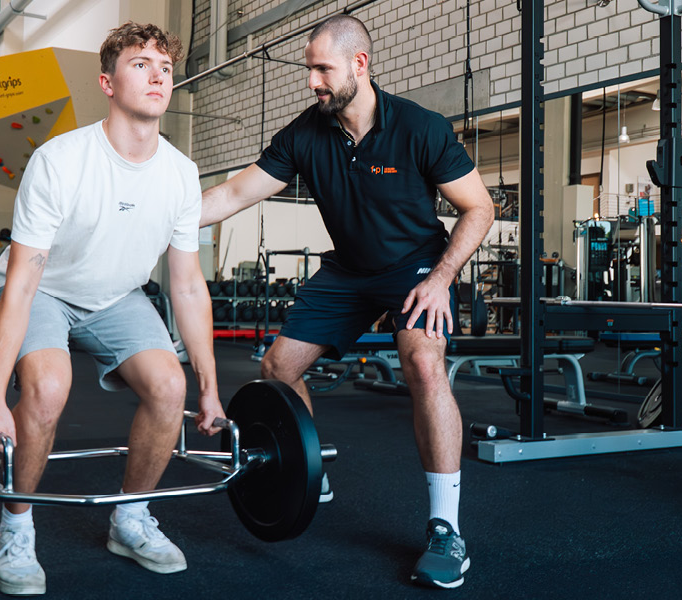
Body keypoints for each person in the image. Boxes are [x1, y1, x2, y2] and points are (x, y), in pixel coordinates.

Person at [199, 15, 494, 590]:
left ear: (360, 65)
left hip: (414, 267)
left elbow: (478, 208)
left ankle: (445, 528)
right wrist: (154, 215)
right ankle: (308, 472)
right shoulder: (306, 133)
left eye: (321, 69)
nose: (312, 81)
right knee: (278, 368)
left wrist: (440, 280)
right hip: (348, 273)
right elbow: (234, 192)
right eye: (309, 69)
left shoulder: (420, 127)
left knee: (424, 365)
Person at [0, 22, 224, 596]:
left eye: (164, 66)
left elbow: (187, 286)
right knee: (47, 388)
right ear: (107, 83)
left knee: (169, 387)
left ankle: (130, 518)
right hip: (45, 291)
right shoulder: (60, 161)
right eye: (140, 64)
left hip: (116, 297)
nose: (157, 74)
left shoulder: (181, 175)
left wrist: (208, 385)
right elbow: (20, 283)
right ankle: (16, 527)